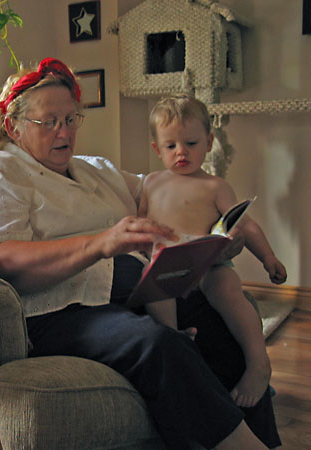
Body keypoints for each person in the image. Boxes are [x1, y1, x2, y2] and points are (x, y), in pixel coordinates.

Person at [0, 57, 281, 449]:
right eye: (49, 122)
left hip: (139, 295)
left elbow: (169, 190)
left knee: (219, 323)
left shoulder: (96, 170)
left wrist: (220, 228)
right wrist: (101, 243)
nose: (64, 132)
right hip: (58, 310)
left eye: (71, 119)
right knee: (155, 343)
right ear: (13, 127)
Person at [139, 94, 287, 409]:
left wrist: (268, 257)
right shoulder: (150, 183)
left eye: (191, 143)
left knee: (229, 290)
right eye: (171, 146)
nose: (181, 151)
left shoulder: (215, 186)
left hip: (209, 264)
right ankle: (176, 342)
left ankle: (258, 362)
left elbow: (245, 225)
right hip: (168, 264)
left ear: (208, 143)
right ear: (157, 149)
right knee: (155, 290)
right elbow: (137, 224)